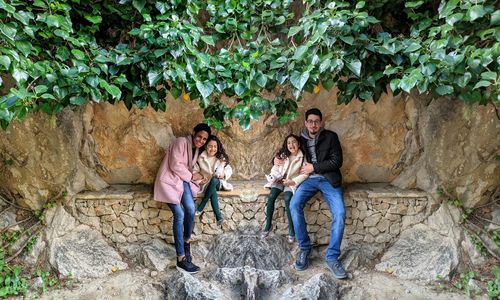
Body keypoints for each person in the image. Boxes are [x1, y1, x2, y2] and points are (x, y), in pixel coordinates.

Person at [289, 108, 347, 279]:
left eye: (316, 121)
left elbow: (337, 161)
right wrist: (276, 159)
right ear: (306, 123)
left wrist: (314, 167)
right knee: (294, 205)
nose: (313, 124)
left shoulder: (331, 137)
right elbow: (288, 150)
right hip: (307, 180)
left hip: (329, 180)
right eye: (310, 121)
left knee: (340, 213)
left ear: (320, 122)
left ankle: (332, 257)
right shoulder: (300, 139)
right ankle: (305, 248)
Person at [153, 123, 211, 274]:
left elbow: (189, 170)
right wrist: (193, 176)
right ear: (193, 132)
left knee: (191, 209)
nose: (201, 140)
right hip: (169, 181)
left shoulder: (197, 150)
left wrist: (198, 179)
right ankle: (180, 258)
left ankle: (186, 242)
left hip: (182, 181)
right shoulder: (181, 142)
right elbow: (175, 165)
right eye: (199, 136)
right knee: (179, 214)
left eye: (204, 139)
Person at [261, 134, 308, 243]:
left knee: (288, 198)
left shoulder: (302, 157)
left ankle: (291, 231)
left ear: (299, 144)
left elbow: (305, 174)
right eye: (289, 143)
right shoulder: (283, 155)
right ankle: (268, 225)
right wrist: (275, 176)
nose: (291, 145)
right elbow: (275, 167)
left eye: (294, 142)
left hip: (291, 182)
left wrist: (293, 181)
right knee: (271, 196)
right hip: (279, 180)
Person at [193, 135, 233, 226]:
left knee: (214, 180)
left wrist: (224, 175)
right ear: (206, 146)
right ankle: (219, 217)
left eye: (215, 146)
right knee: (212, 190)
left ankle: (201, 205)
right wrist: (200, 180)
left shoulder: (221, 158)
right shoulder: (200, 158)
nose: (213, 149)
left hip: (219, 183)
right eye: (210, 146)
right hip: (206, 184)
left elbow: (229, 170)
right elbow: (194, 172)